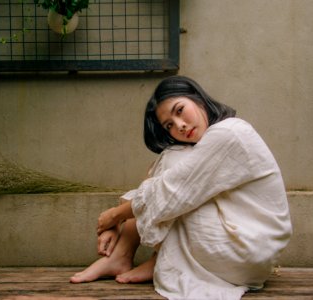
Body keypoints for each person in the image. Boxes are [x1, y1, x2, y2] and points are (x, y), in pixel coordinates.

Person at [70, 75, 292, 300]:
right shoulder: (214, 140)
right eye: (169, 125)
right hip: (248, 256)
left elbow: (170, 193)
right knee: (173, 168)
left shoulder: (230, 132)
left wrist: (113, 217)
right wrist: (116, 217)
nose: (180, 126)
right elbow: (167, 191)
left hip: (243, 250)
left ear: (199, 100)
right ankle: (129, 257)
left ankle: (126, 256)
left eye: (179, 110)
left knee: (173, 162)